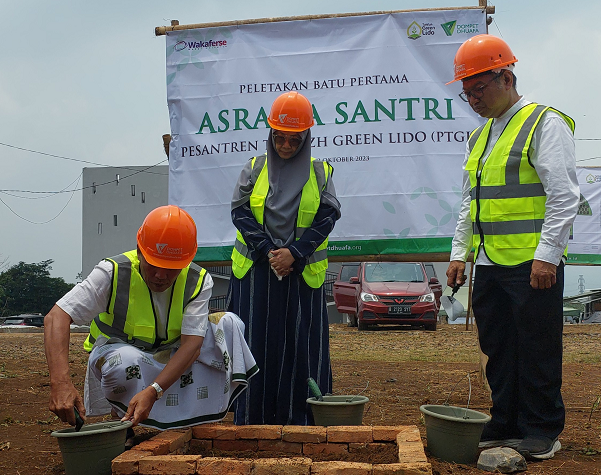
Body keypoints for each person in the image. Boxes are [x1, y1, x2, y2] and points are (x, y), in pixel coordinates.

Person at [445, 35, 579, 460]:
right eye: (467, 93)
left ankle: (542, 429)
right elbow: (470, 200)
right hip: (489, 261)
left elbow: (563, 195)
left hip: (531, 263)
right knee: (498, 347)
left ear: (506, 76)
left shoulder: (544, 123)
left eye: (478, 89)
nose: (472, 100)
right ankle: (504, 420)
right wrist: (458, 253)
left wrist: (547, 256)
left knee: (537, 346)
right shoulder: (480, 137)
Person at [44, 205, 257, 432]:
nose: (160, 276)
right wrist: (60, 383)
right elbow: (57, 317)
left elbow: (192, 346)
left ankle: (195, 419)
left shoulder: (198, 281)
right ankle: (124, 422)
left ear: (187, 261)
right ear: (139, 251)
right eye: (154, 264)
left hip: (172, 354)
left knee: (229, 323)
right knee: (124, 361)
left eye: (171, 269)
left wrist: (154, 390)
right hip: (121, 353)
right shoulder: (112, 273)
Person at [227, 91, 341, 425]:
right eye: (279, 137)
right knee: (254, 346)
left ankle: (300, 418)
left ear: (306, 137)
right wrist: (269, 252)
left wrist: (294, 253)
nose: (286, 146)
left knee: (300, 347)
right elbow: (240, 211)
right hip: (257, 273)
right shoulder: (254, 167)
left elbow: (327, 216)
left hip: (301, 273)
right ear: (270, 133)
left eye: (294, 139)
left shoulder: (320, 172)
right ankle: (251, 417)